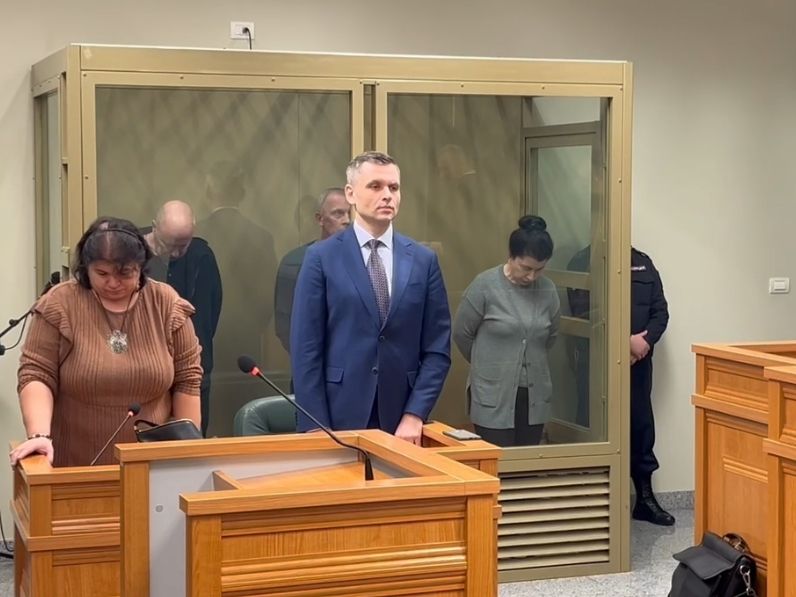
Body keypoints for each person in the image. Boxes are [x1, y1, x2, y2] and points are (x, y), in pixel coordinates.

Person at [10, 217, 202, 467]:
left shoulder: (166, 304)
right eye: (102, 273)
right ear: (86, 268)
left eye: (125, 273)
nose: (112, 283)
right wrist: (39, 436)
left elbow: (188, 379)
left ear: (141, 267)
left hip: (152, 468)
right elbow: (36, 374)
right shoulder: (59, 304)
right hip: (73, 465)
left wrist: (188, 454)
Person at [290, 151, 451, 445]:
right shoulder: (321, 258)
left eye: (394, 187)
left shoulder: (423, 260)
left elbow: (437, 349)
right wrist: (315, 425)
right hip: (337, 415)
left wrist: (415, 413)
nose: (387, 195)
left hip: (403, 419)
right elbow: (306, 348)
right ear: (351, 194)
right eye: (375, 186)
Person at [453, 215, 560, 447]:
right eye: (526, 268)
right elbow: (462, 333)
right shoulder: (484, 286)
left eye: (539, 269)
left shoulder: (548, 290)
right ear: (511, 256)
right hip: (492, 394)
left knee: (527, 463)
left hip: (534, 397)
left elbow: (550, 336)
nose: (531, 276)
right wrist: (488, 361)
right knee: (497, 461)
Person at [143, 200, 222, 437]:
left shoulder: (201, 256)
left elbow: (208, 315)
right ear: (154, 227)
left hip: (191, 362)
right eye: (169, 245)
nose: (176, 253)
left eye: (183, 245)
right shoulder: (134, 253)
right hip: (147, 365)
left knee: (190, 436)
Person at [274, 188, 351, 354]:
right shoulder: (295, 262)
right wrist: (308, 359)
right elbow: (284, 322)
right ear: (320, 219)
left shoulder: (364, 260)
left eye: (350, 214)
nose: (347, 220)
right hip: (310, 359)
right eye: (338, 214)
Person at [628, 247, 673, 526]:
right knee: (598, 430)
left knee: (641, 426)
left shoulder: (643, 263)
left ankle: (644, 499)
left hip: (639, 363)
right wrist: (624, 341)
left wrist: (643, 343)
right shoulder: (585, 260)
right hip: (598, 365)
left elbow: (660, 311)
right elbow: (582, 310)